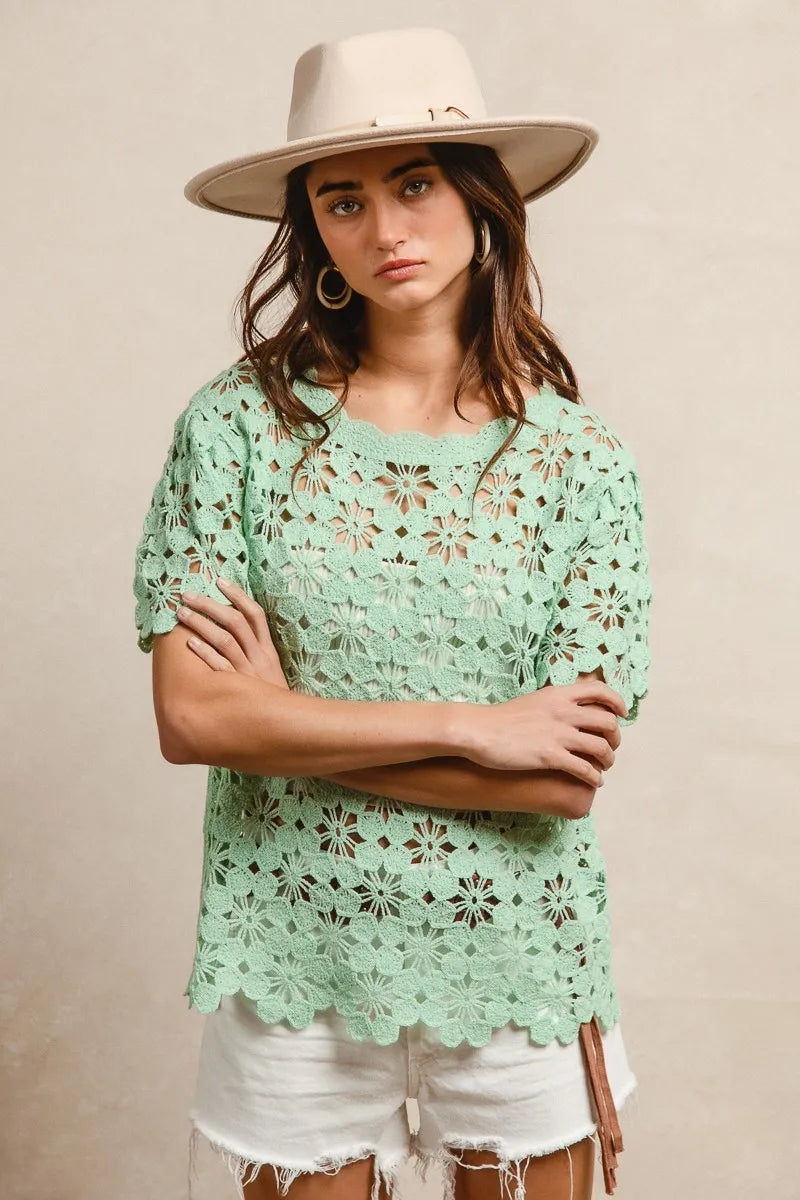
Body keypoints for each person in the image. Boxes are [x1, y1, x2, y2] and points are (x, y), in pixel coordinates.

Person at [132, 26, 653, 1200]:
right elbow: (192, 718)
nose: (383, 229)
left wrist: (282, 720)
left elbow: (557, 780)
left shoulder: (579, 465)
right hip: (294, 957)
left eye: (413, 183)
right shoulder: (235, 432)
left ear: (481, 199)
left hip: (519, 961)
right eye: (341, 199)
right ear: (309, 228)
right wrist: (473, 726)